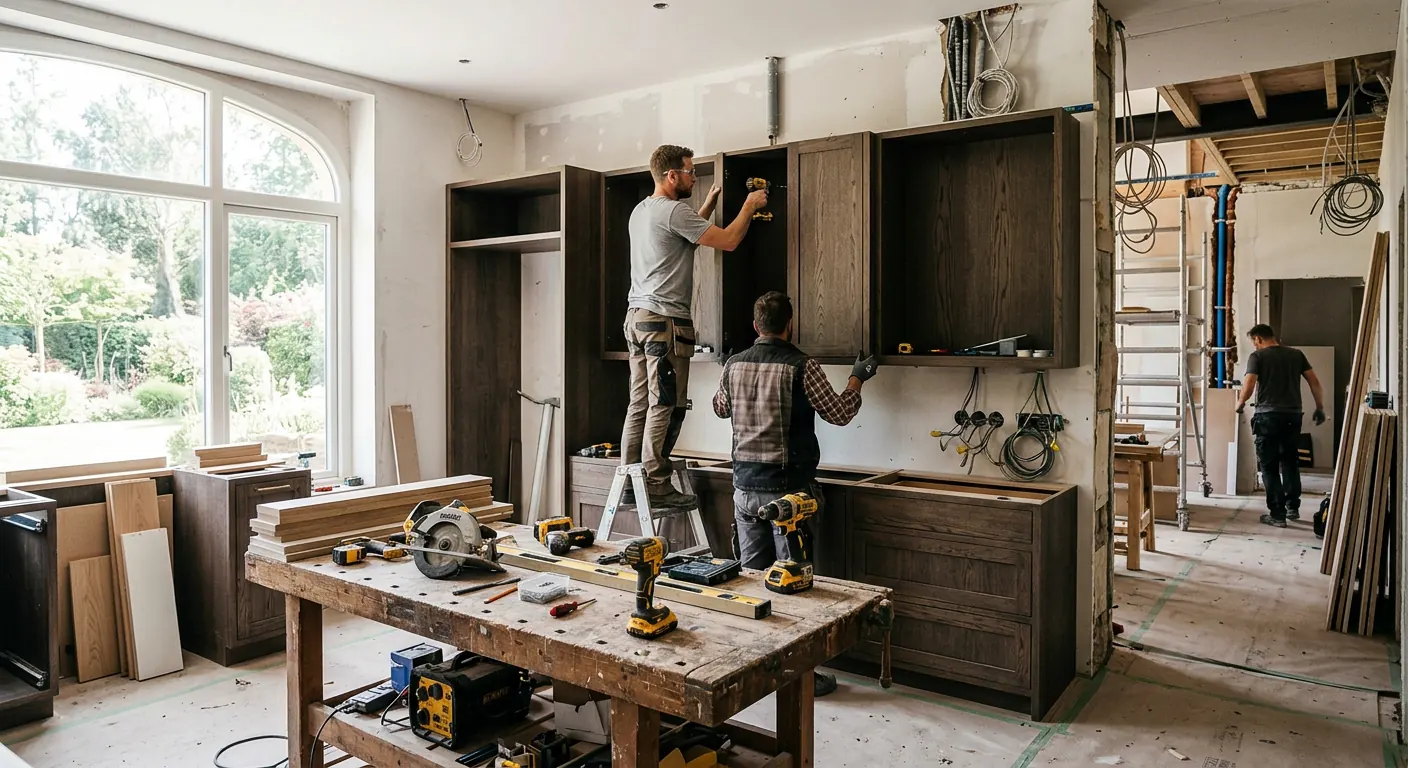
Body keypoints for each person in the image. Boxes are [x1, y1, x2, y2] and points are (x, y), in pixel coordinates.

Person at [712, 291, 879, 697]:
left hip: (745, 491)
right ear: (791, 324)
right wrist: (858, 376)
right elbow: (840, 412)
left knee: (752, 583)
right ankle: (801, 677)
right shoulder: (802, 367)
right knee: (795, 584)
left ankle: (757, 671)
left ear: (756, 326)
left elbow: (719, 408)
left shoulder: (734, 365)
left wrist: (735, 378)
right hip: (789, 496)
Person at [620, 145, 769, 509]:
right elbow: (729, 241)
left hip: (637, 319)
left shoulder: (643, 211)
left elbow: (684, 239)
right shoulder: (673, 212)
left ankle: (630, 479)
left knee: (640, 402)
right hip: (664, 322)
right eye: (689, 172)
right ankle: (655, 482)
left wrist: (709, 207)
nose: (693, 178)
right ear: (671, 175)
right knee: (666, 404)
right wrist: (749, 206)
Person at [1235, 324, 1326, 528]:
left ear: (1258, 339)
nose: (1255, 346)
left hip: (1267, 416)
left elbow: (1249, 384)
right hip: (1293, 415)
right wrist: (1320, 407)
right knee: (1290, 461)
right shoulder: (1296, 355)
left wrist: (1240, 403)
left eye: (1254, 342)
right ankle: (1292, 507)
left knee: (1268, 466)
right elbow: (1314, 382)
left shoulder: (1257, 357)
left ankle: (1277, 514)